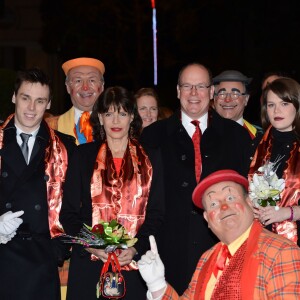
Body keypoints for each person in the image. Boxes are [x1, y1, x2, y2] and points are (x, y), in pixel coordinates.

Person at [140, 63, 253, 294]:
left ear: (211, 92)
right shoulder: (153, 136)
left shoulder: (237, 136)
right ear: (178, 91)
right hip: (166, 252)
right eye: (187, 86)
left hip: (223, 249)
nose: (194, 93)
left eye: (201, 86)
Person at [60, 86, 164, 299]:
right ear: (100, 117)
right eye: (109, 114)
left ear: (132, 116)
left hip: (137, 266)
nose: (116, 121)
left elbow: (157, 214)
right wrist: (91, 245)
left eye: (122, 113)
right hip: (90, 266)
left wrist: (136, 249)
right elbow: (68, 213)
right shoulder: (82, 156)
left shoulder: (151, 158)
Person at [138, 169, 300, 299]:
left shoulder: (281, 252)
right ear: (207, 219)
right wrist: (157, 284)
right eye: (213, 203)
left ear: (250, 204)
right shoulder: (207, 259)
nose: (223, 207)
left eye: (230, 197)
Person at [0, 68, 76, 300]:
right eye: (25, 98)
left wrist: (57, 251)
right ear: (14, 97)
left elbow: (75, 206)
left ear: (49, 103)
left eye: (39, 100)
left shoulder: (65, 148)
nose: (31, 108)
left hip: (43, 263)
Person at [249, 77, 300, 246]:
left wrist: (288, 213)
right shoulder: (257, 144)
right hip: (259, 236)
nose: (277, 110)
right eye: (271, 105)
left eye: (284, 103)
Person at [46, 57, 105, 144]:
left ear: (102, 86)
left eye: (92, 80)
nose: (85, 87)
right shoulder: (50, 127)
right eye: (78, 80)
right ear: (68, 87)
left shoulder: (119, 125)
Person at [213, 70, 263, 149]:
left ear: (246, 99)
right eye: (222, 93)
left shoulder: (261, 138)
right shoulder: (200, 133)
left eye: (235, 94)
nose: (228, 99)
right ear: (214, 98)